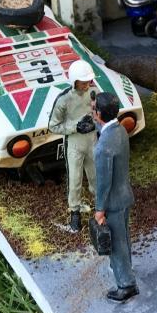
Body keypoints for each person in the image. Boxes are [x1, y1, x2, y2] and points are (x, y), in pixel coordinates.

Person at [92, 92, 138, 303]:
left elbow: (103, 183)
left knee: (116, 244)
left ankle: (126, 284)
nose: (93, 112)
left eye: (94, 109)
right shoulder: (120, 130)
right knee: (124, 237)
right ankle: (126, 267)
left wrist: (100, 209)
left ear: (99, 114)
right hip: (125, 195)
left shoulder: (103, 148)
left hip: (113, 202)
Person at [49, 59, 97, 233]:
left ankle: (101, 208)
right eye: (83, 82)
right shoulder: (64, 99)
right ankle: (75, 214)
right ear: (74, 81)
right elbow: (53, 126)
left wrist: (94, 123)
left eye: (88, 81)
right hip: (74, 144)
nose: (87, 85)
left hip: (92, 141)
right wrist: (75, 127)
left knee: (96, 176)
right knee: (75, 180)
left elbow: (100, 112)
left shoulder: (94, 92)